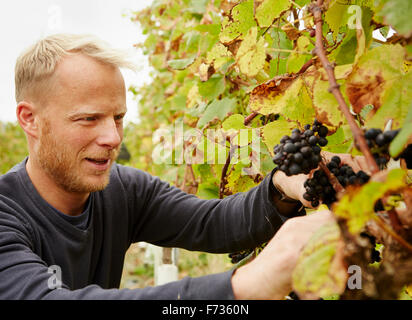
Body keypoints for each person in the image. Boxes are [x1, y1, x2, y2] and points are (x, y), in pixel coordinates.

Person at [0, 34, 365, 300]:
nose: (113, 138)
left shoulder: (122, 189)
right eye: (88, 119)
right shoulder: (5, 214)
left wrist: (282, 186)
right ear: (30, 119)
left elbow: (214, 223)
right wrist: (243, 286)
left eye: (118, 117)